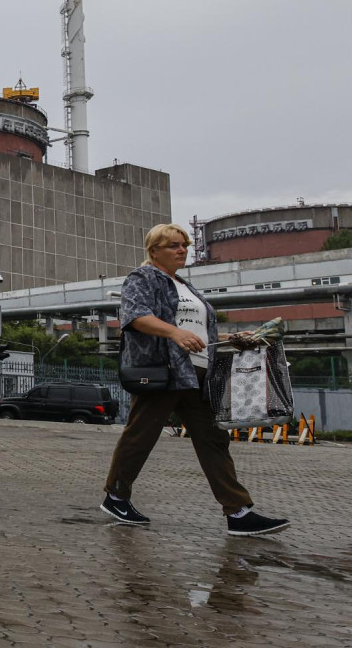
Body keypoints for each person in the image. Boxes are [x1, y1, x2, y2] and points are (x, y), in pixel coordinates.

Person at [102, 223, 289, 536]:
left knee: (214, 439)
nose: (182, 250)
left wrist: (235, 337)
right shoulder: (142, 277)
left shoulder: (185, 286)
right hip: (165, 369)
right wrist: (174, 332)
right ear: (153, 251)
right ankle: (116, 495)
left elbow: (201, 333)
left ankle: (238, 512)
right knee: (141, 435)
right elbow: (133, 317)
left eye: (184, 245)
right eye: (174, 245)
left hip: (198, 373)